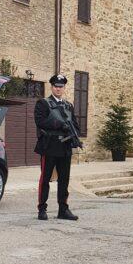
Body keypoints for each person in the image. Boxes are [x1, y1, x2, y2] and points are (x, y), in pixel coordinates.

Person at [34, 74, 83, 221]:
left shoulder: (68, 106)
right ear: (51, 87)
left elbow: (74, 124)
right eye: (56, 86)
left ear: (64, 88)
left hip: (65, 146)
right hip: (49, 146)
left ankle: (63, 209)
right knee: (45, 178)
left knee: (64, 180)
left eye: (61, 86)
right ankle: (42, 209)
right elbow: (40, 121)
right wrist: (59, 125)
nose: (58, 89)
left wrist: (72, 131)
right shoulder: (43, 103)